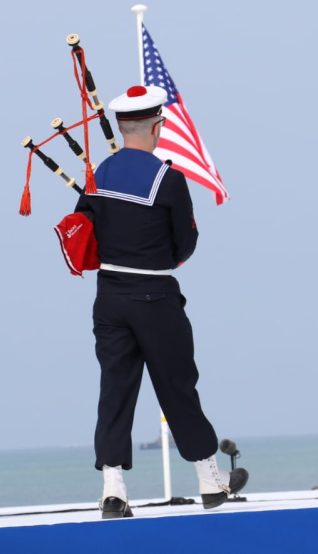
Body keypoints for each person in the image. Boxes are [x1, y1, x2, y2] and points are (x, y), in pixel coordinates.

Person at [74, 85, 248, 519]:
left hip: (109, 296)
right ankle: (211, 480)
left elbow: (84, 230)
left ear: (121, 126)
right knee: (177, 386)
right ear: (157, 126)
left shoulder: (97, 175)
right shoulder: (169, 178)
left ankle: (113, 490)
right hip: (155, 295)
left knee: (115, 391)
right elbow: (185, 242)